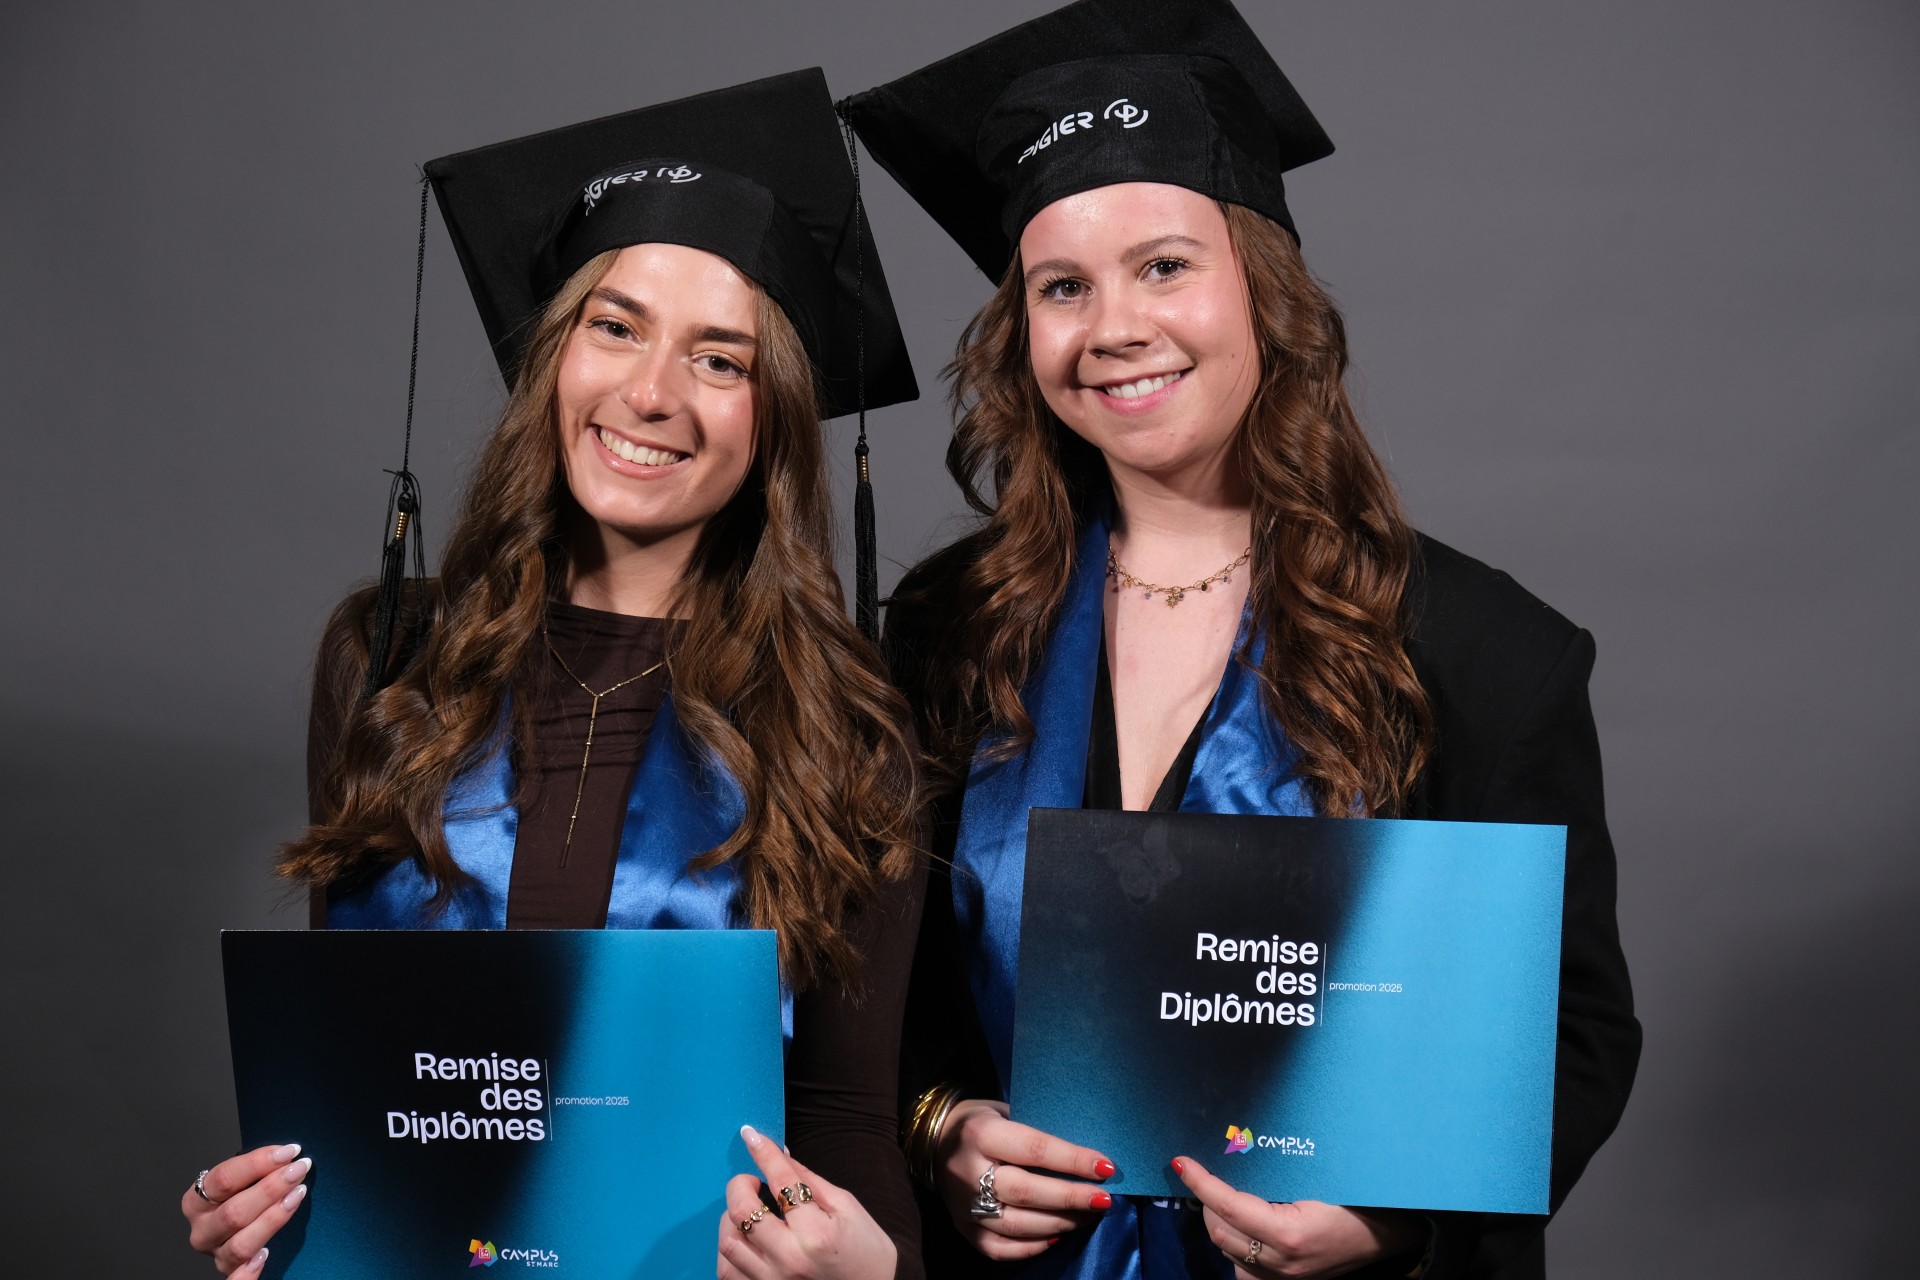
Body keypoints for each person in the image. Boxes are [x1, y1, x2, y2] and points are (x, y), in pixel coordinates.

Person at [845, 2, 1641, 1277]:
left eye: (1165, 265)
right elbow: (889, 993)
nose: (1115, 326)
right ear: (1022, 331)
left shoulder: (1480, 649)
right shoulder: (954, 631)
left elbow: (1572, 1034)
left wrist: (1394, 1216)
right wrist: (945, 1127)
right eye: (1063, 287)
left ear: (1266, 293)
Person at [179, 69, 927, 1280]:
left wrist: (872, 1270)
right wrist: (270, 1209)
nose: (651, 393)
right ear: (553, 356)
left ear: (774, 418)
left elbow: (845, 1120)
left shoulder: (846, 729)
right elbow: (350, 1062)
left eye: (721, 359)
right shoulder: (386, 660)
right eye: (614, 326)